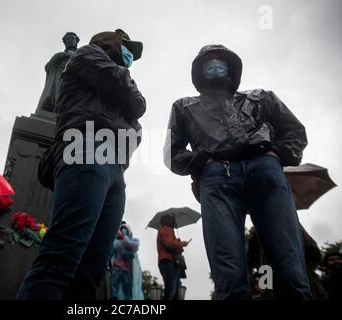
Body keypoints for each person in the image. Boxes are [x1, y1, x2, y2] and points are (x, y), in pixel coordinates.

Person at [164, 44, 311, 299]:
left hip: (265, 170)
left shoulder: (260, 97)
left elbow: (294, 130)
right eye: (208, 63)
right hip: (217, 178)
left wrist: (277, 155)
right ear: (199, 71)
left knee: (290, 265)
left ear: (232, 69)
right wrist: (203, 161)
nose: (215, 66)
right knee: (228, 272)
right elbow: (172, 153)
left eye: (221, 62)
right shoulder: (184, 106)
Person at [17, 29, 145, 300]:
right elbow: (136, 102)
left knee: (92, 270)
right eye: (126, 48)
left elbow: (137, 127)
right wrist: (128, 92)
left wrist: (129, 110)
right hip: (85, 148)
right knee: (61, 256)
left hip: (116, 167)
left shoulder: (112, 79)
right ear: (111, 43)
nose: (130, 57)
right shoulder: (87, 55)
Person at [35, 32, 80, 114]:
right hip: (59, 76)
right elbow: (47, 67)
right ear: (65, 42)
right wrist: (56, 59)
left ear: (77, 42)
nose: (70, 40)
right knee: (57, 95)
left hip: (75, 78)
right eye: (68, 39)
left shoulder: (81, 53)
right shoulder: (59, 55)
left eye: (72, 38)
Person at [157, 215, 188, 300]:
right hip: (168, 261)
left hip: (171, 262)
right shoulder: (165, 229)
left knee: (173, 290)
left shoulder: (167, 230)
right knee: (171, 290)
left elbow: (171, 243)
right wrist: (181, 244)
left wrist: (179, 243)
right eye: (172, 220)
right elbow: (168, 244)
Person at [110, 222, 141, 300]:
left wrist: (124, 238)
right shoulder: (117, 243)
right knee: (114, 285)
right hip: (117, 267)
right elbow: (111, 252)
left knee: (127, 287)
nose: (123, 232)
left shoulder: (134, 241)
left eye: (125, 230)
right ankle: (114, 297)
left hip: (128, 269)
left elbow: (132, 245)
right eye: (122, 230)